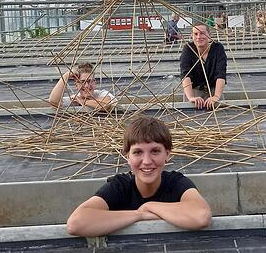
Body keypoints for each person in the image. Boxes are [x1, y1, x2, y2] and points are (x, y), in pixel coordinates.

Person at [66, 116, 211, 237]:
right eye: (138, 152)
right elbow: (76, 223)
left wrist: (149, 206)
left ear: (167, 154)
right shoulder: (120, 186)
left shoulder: (176, 182)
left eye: (155, 151)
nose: (147, 161)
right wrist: (139, 215)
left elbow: (201, 215)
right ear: (127, 156)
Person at [180, 23, 227, 110]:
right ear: (192, 36)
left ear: (209, 35)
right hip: (194, 90)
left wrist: (216, 96)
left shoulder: (218, 48)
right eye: (195, 34)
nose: (199, 37)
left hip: (214, 89)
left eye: (202, 33)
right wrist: (190, 97)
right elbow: (185, 75)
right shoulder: (188, 49)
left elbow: (221, 74)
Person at [49, 62, 117, 112]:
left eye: (89, 81)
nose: (87, 86)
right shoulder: (75, 99)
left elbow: (106, 105)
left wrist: (83, 101)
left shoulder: (101, 94)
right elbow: (53, 102)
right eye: (82, 82)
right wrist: (66, 76)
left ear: (94, 82)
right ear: (76, 85)